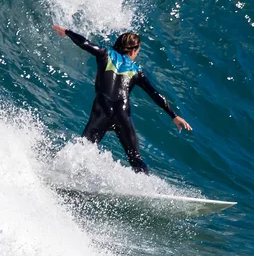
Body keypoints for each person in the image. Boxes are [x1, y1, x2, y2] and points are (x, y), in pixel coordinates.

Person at [53, 25, 192, 174]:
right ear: (133, 51)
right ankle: (144, 185)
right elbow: (155, 94)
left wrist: (67, 32)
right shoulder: (137, 71)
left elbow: (85, 43)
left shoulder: (105, 54)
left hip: (102, 109)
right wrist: (173, 115)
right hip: (123, 113)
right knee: (135, 158)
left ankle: (68, 175)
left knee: (84, 148)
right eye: (137, 52)